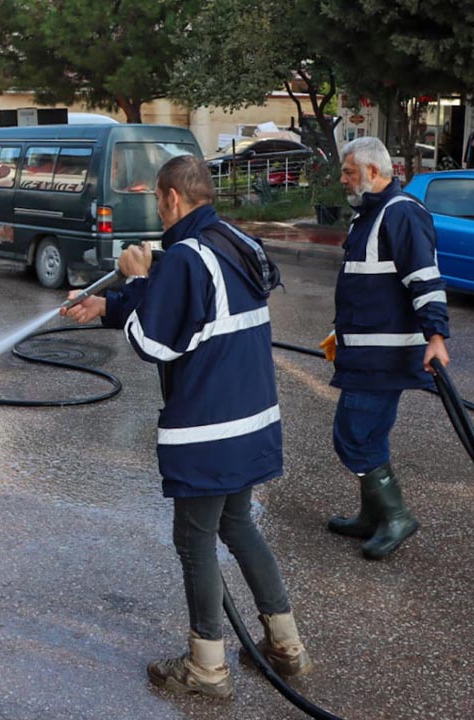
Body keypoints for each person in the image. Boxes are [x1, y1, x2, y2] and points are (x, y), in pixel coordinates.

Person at [63, 155, 311, 700]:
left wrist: (139, 276)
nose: (157, 208)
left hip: (209, 428)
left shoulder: (180, 258)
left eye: (157, 199)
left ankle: (206, 667)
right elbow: (192, 308)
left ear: (172, 197)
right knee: (240, 524)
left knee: (195, 538)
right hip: (252, 420)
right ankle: (286, 646)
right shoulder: (233, 241)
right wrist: (110, 304)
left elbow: (155, 341)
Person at [320, 136, 450, 560]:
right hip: (365, 352)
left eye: (349, 172)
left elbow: (425, 281)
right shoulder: (369, 216)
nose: (342, 179)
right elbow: (368, 289)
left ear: (374, 173)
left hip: (384, 357)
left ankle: (396, 517)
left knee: (353, 436)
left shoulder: (402, 214)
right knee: (369, 434)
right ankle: (371, 515)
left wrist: (436, 338)